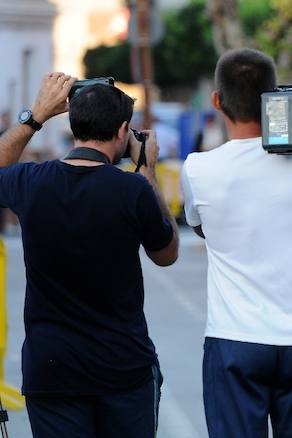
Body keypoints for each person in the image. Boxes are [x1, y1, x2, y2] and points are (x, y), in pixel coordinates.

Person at [0, 75, 178, 437]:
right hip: (123, 369)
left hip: (52, 371)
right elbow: (167, 253)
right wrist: (146, 169)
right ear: (122, 130)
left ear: (72, 123)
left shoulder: (31, 182)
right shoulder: (133, 190)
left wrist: (35, 117)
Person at [180, 48, 292, 437]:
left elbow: (205, 229)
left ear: (217, 100)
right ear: (275, 95)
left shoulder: (197, 168)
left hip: (233, 340)